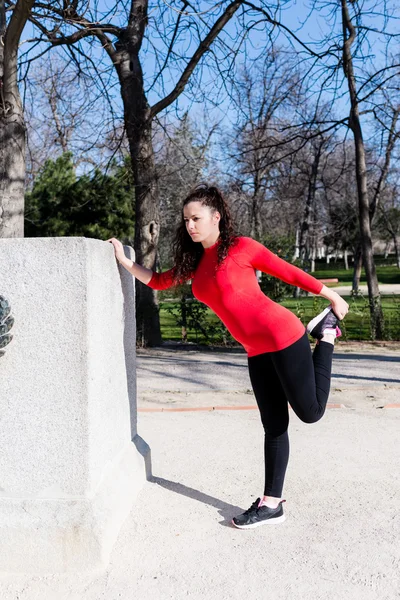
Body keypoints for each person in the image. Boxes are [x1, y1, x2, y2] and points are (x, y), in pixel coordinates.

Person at [107, 183, 349, 530]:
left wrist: (331, 297)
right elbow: (159, 281)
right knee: (274, 426)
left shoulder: (241, 247)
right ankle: (272, 502)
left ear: (216, 217)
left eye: (197, 218)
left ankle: (326, 333)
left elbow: (288, 271)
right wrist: (125, 261)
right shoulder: (196, 263)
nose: (190, 225)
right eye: (186, 220)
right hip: (256, 350)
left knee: (310, 413)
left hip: (283, 335)